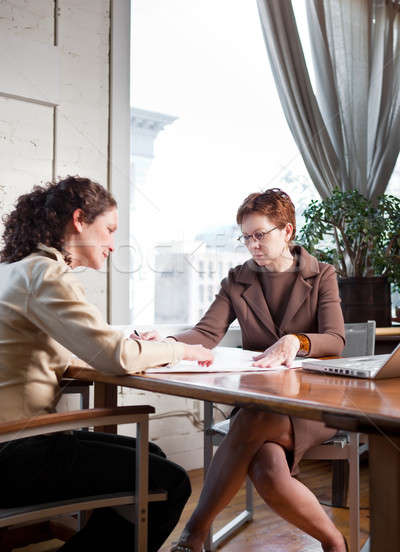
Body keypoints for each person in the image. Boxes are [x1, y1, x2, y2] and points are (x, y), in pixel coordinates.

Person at [0, 176, 213, 551]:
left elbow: (75, 346)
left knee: (152, 458)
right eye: (109, 230)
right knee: (170, 481)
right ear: (80, 220)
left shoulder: (13, 270)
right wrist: (180, 349)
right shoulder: (45, 274)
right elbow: (115, 358)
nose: (114, 245)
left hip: (12, 441)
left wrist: (129, 344)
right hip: (16, 450)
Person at [140, 188, 347, 552]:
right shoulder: (238, 279)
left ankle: (192, 536)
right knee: (266, 466)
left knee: (250, 421)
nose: (252, 245)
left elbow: (335, 339)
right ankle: (334, 542)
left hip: (315, 402)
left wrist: (296, 341)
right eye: (247, 237)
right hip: (263, 400)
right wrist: (165, 341)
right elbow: (206, 333)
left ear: (287, 231)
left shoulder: (322, 274)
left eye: (260, 235)